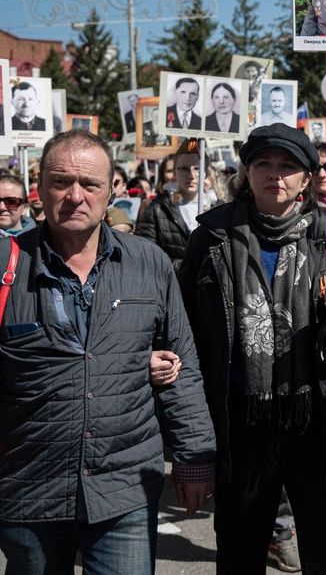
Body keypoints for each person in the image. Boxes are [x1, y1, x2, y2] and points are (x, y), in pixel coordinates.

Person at [0, 130, 216, 573]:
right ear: (39, 188)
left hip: (125, 488)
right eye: (61, 182)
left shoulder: (148, 262)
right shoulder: (6, 264)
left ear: (111, 190)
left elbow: (182, 361)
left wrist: (195, 456)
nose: (75, 196)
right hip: (28, 488)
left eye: (90, 184)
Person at [177, 123, 326, 573]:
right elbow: (183, 332)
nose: (276, 175)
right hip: (242, 424)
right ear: (246, 173)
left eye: (288, 166)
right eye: (264, 165)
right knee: (239, 554)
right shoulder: (211, 238)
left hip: (318, 423)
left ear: (307, 179)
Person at [134, 141, 208, 268]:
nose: (191, 175)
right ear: (175, 172)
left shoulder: (219, 208)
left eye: (197, 168)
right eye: (184, 169)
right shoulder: (157, 209)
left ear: (205, 172)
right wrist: (186, 267)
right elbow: (145, 254)